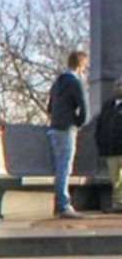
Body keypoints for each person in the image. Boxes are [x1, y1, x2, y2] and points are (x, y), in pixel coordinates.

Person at [47, 50, 89, 219]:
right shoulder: (75, 82)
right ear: (80, 66)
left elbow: (50, 107)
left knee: (59, 167)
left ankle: (59, 205)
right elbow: (84, 107)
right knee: (65, 167)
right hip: (67, 128)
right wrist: (78, 122)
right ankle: (63, 205)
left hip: (54, 127)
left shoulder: (58, 82)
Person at [94, 76, 122, 213]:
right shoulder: (107, 107)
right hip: (112, 150)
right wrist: (101, 145)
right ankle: (118, 204)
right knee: (116, 180)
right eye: (118, 85)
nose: (119, 88)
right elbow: (100, 127)